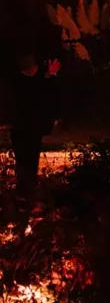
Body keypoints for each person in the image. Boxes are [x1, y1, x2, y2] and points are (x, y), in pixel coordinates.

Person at [9, 48, 60, 198]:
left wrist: (48, 76)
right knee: (29, 163)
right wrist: (51, 75)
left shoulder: (18, 83)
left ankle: (23, 191)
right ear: (33, 68)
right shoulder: (30, 86)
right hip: (31, 131)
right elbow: (44, 93)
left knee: (23, 162)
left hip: (20, 131)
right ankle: (26, 193)